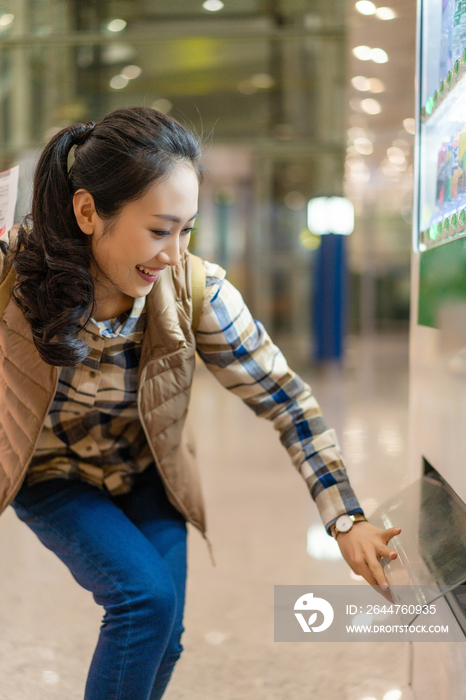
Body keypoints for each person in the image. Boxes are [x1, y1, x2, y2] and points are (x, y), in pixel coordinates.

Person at [0, 106, 401, 700]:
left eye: (185, 230)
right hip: (50, 475)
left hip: (149, 473)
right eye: (159, 229)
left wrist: (346, 517)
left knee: (164, 634)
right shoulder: (15, 280)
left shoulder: (195, 289)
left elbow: (286, 398)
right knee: (145, 601)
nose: (172, 252)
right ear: (88, 211)